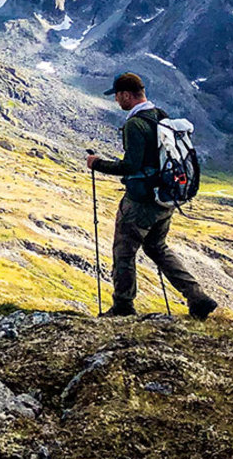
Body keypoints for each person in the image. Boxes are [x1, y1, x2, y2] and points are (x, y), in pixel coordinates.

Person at [87, 73, 217, 319]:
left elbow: (131, 166)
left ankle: (123, 306)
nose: (116, 101)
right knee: (158, 247)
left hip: (141, 203)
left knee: (123, 252)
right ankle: (197, 297)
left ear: (126, 94)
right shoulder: (161, 116)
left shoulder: (135, 124)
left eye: (117, 96)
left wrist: (97, 164)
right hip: (165, 198)